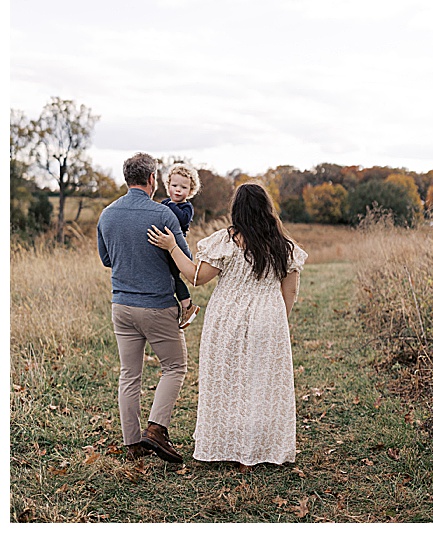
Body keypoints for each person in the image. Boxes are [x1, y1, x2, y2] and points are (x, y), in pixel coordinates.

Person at [147, 182, 307, 472]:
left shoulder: (228, 241)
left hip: (227, 319)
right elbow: (291, 291)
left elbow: (196, 277)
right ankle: (258, 450)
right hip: (268, 318)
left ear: (237, 210)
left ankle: (228, 448)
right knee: (262, 384)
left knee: (227, 381)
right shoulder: (284, 246)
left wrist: (172, 247)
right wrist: (277, 319)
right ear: (267, 208)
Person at [97, 152, 192, 464]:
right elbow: (183, 261)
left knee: (129, 374)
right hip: (157, 307)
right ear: (152, 179)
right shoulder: (164, 216)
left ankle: (132, 444)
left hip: (121, 306)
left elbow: (107, 260)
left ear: (128, 179)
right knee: (175, 366)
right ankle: (156, 429)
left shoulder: (107, 215)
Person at [160, 163, 202, 328]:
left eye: (183, 187)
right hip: (163, 245)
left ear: (190, 191)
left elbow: (182, 220)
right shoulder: (164, 203)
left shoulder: (186, 207)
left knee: (174, 277)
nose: (178, 190)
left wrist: (170, 206)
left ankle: (188, 306)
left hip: (176, 248)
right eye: (174, 185)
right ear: (168, 186)